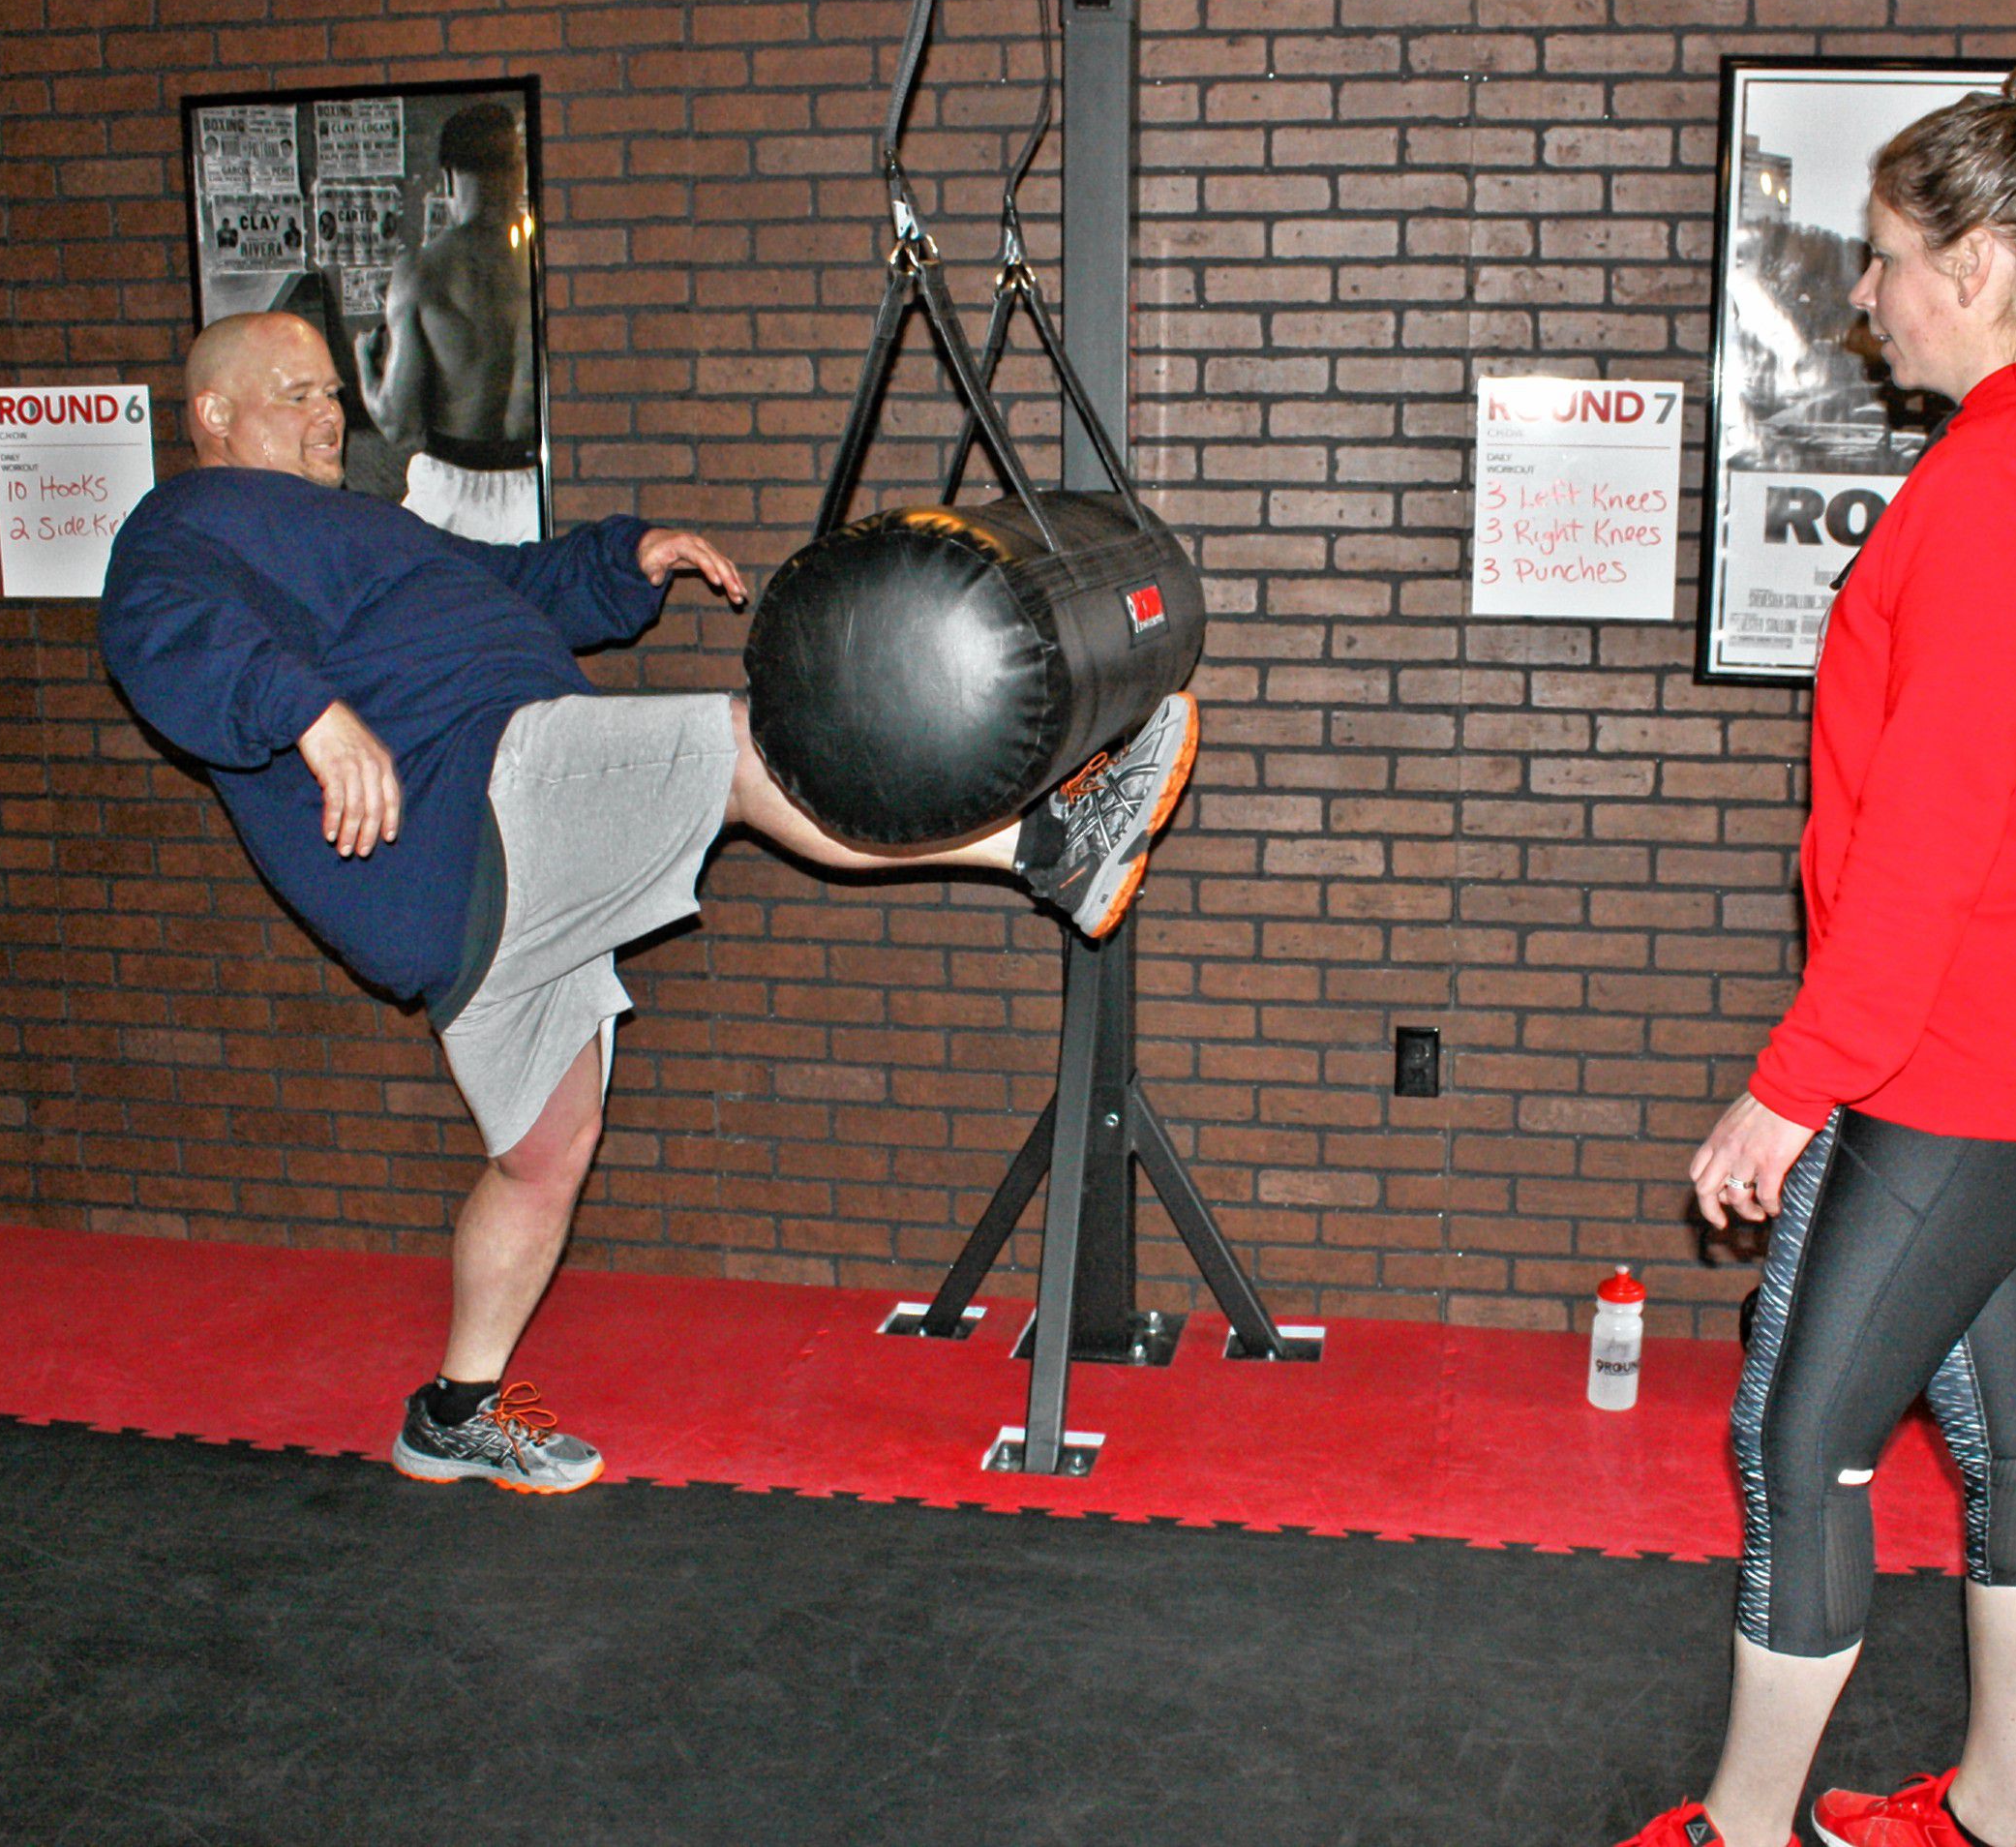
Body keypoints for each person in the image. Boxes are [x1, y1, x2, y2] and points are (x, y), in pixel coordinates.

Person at [100, 310, 1197, 1497]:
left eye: (333, 393)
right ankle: (1057, 844)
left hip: (469, 893)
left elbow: (511, 585)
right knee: (738, 744)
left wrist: (627, 560)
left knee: (543, 1156)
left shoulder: (367, 527)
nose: (331, 416)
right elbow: (160, 631)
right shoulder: (188, 523)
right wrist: (307, 716)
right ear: (214, 414)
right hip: (480, 791)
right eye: (300, 394)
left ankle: (454, 1411)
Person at [1615, 54, 2016, 1847]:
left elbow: (1932, 838)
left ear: (1976, 264)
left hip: (1958, 1062)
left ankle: (1736, 1830)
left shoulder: (1999, 489)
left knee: (1795, 1446)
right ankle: (1991, 1815)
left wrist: (1789, 1087)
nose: (1863, 295)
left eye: (1884, 257)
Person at [352, 104, 542, 542]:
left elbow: (397, 425)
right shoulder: (544, 263)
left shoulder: (423, 272)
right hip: (537, 488)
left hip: (451, 495)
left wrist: (365, 365)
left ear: (447, 177)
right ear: (517, 169)